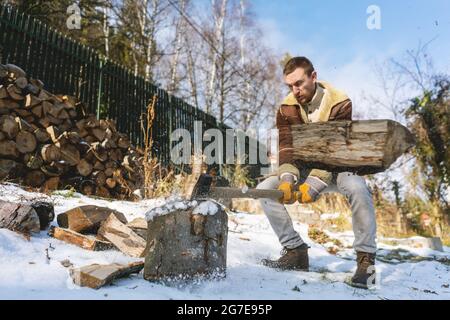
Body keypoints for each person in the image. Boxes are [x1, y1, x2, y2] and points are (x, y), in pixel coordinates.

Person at [257, 56, 377, 289]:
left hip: (339, 165)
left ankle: (366, 261)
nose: (295, 90)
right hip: (303, 166)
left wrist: (314, 184)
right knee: (265, 190)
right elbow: (286, 147)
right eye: (290, 85)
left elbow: (332, 146)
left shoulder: (340, 102)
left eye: (299, 83)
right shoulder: (286, 108)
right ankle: (295, 252)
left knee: (358, 188)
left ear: (314, 76)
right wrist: (287, 180)